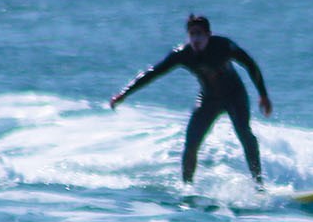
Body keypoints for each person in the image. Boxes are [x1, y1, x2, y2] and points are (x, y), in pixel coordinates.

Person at [110, 14, 273, 187]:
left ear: (208, 34)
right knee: (191, 143)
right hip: (208, 100)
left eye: (200, 34)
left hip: (234, 96)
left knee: (244, 134)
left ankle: (258, 184)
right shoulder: (182, 54)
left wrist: (262, 95)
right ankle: (187, 188)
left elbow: (250, 65)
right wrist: (124, 93)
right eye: (192, 34)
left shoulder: (224, 46)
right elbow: (153, 73)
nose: (196, 39)